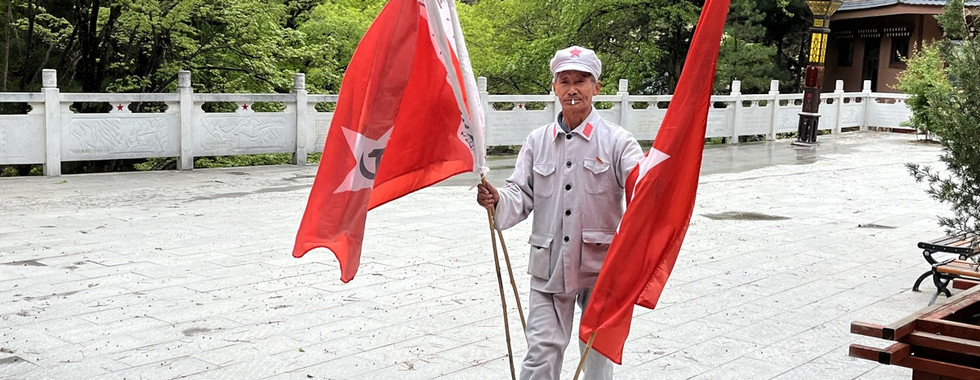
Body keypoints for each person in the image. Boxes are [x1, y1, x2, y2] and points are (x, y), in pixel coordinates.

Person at [476, 46, 644, 380]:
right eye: (564, 81)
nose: (572, 89)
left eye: (581, 81)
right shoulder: (537, 141)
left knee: (597, 353)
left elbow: (642, 187)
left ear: (596, 87)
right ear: (554, 87)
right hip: (549, 263)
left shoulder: (618, 142)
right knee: (541, 351)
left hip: (601, 268)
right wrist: (497, 199)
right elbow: (520, 193)